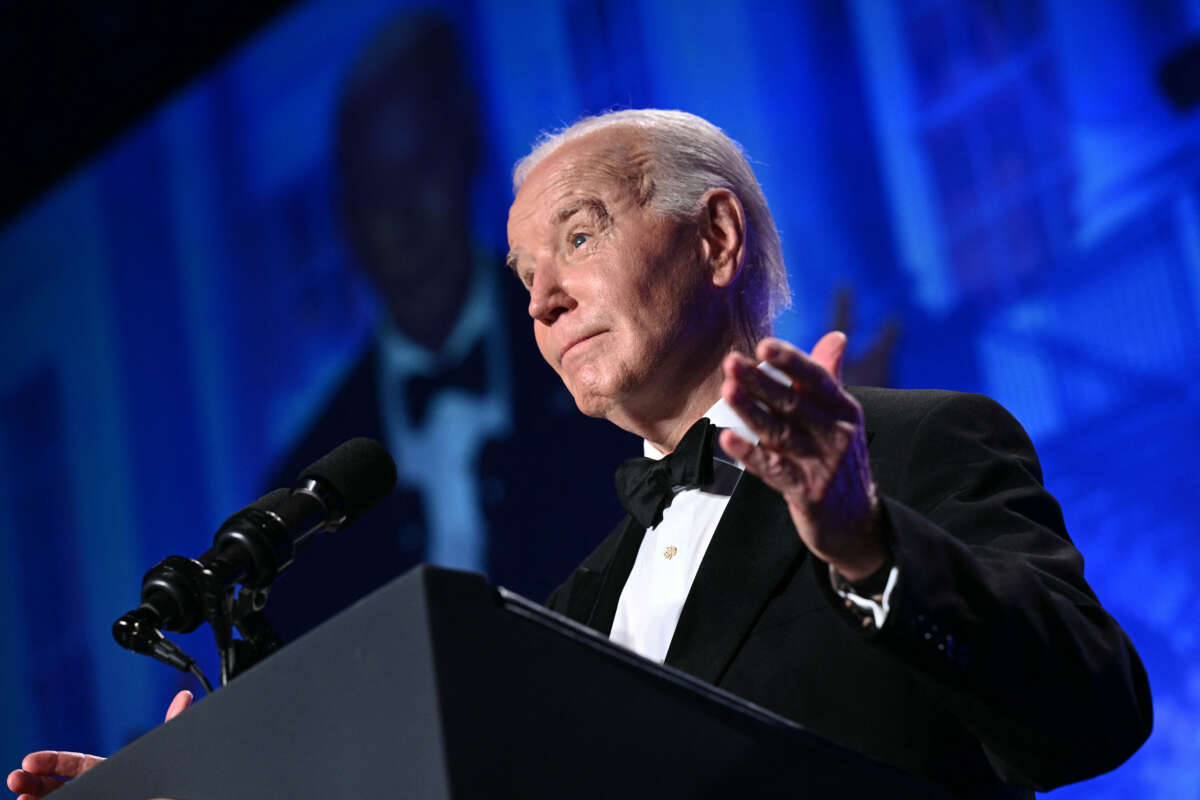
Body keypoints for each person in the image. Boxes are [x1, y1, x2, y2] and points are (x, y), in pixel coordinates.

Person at [9, 109, 1151, 798]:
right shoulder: (573, 608)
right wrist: (211, 786)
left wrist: (862, 543)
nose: (543, 299)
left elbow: (1094, 711)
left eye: (581, 235)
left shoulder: (919, 444)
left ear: (713, 237)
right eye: (523, 277)